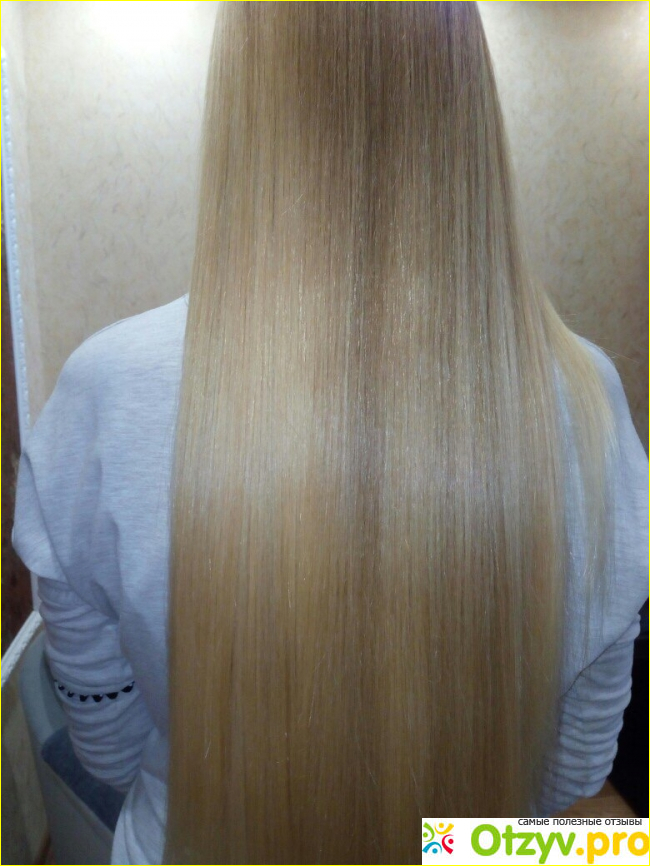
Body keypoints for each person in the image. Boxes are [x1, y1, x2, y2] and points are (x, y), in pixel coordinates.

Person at [13, 4, 648, 865]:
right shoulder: (587, 401)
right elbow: (569, 776)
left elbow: (112, 753)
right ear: (465, 99)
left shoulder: (104, 394)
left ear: (244, 98)